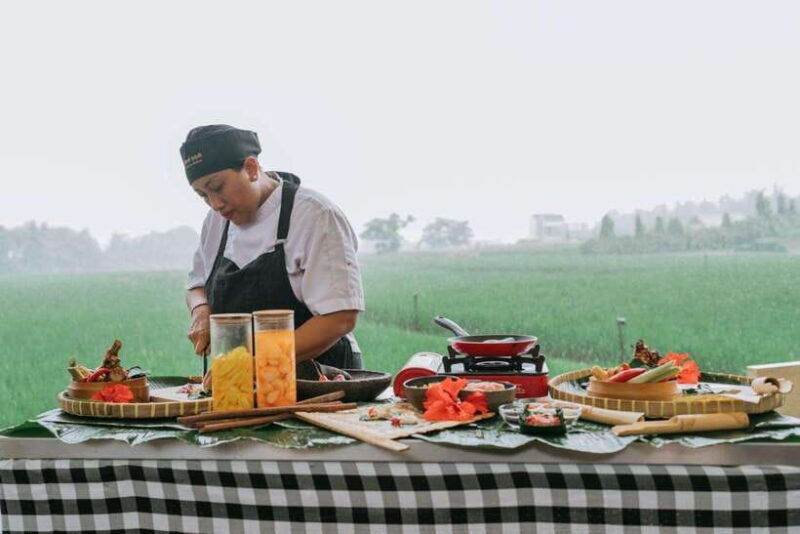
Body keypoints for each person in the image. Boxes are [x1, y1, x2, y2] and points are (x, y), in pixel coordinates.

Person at [182, 124, 364, 369]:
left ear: (251, 168)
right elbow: (197, 284)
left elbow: (339, 318)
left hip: (320, 379)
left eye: (217, 187)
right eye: (202, 195)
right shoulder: (216, 222)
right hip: (240, 381)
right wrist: (201, 311)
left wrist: (254, 365)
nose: (215, 204)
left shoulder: (314, 215)